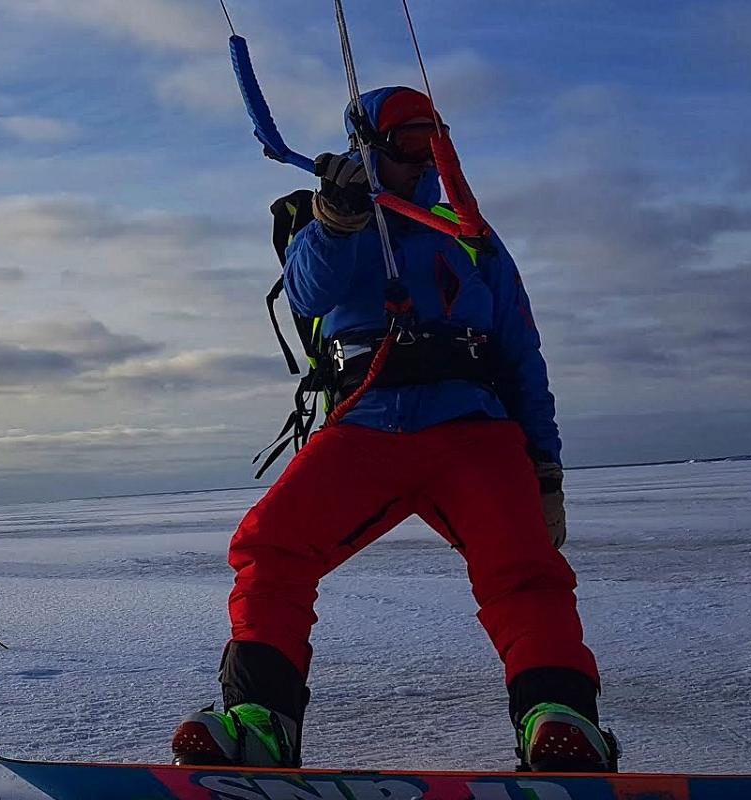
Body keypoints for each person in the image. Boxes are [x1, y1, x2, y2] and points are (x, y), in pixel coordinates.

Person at [169, 86, 617, 772]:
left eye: (433, 139)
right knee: (271, 546)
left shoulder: (468, 231)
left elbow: (521, 354)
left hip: (473, 429)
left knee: (524, 572)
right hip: (365, 426)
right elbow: (309, 293)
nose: (423, 157)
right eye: (408, 142)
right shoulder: (329, 217)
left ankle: (559, 721)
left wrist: (546, 472)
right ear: (368, 145)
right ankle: (260, 722)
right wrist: (337, 217)